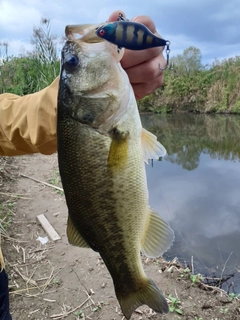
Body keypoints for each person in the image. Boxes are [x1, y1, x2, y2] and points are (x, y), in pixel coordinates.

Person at [0, 10, 166, 319]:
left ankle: (128, 281)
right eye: (72, 65)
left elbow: (5, 122)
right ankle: (130, 282)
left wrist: (54, 103)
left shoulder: (94, 115)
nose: (72, 59)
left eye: (70, 64)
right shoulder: (98, 117)